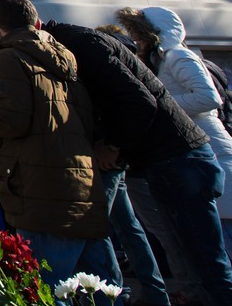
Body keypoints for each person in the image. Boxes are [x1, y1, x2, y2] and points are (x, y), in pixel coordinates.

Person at [0, 0, 117, 296]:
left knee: (46, 289)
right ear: (36, 23)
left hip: (40, 189)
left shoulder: (7, 57)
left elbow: (8, 122)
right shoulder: (65, 57)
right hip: (81, 183)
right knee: (97, 290)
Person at [43, 19, 212, 306]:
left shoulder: (173, 57)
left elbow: (191, 98)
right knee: (141, 229)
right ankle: (161, 292)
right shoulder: (113, 51)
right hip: (134, 153)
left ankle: (127, 295)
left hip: (147, 152)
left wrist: (113, 144)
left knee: (112, 228)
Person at [119, 6, 232, 263]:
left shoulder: (177, 56)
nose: (135, 39)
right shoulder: (162, 59)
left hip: (213, 147)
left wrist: (159, 103)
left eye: (138, 32)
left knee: (223, 239)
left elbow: (208, 98)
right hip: (196, 147)